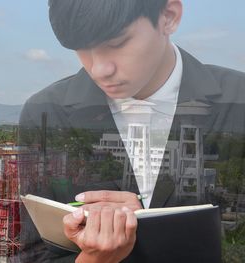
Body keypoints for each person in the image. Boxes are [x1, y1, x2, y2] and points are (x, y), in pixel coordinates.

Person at [18, 0, 245, 262]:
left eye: (117, 44)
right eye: (82, 49)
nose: (99, 69)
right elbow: (34, 254)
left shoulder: (238, 103)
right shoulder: (45, 113)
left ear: (168, 16)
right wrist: (94, 259)